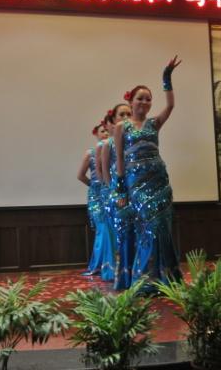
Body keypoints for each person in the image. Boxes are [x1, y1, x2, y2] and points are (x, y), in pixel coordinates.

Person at [114, 56, 183, 289]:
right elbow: (119, 159)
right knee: (147, 228)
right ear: (131, 101)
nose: (144, 102)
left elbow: (170, 106)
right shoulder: (121, 127)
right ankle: (145, 281)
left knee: (162, 228)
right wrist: (120, 190)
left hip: (160, 182)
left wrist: (167, 77)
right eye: (140, 98)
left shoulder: (154, 123)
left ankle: (165, 279)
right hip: (136, 184)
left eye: (148, 99)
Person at [101, 103, 135, 290]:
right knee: (123, 234)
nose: (126, 117)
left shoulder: (136, 137)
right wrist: (114, 192)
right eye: (122, 114)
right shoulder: (109, 143)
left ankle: (138, 275)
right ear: (114, 120)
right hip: (119, 192)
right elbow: (105, 172)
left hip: (136, 191)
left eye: (129, 113)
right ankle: (123, 276)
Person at [77, 122, 110, 276]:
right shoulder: (90, 153)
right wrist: (94, 185)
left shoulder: (115, 150)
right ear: (96, 134)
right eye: (102, 131)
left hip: (111, 194)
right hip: (96, 196)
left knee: (111, 229)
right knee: (102, 229)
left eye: (107, 131)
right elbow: (80, 175)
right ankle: (98, 265)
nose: (106, 133)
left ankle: (110, 265)